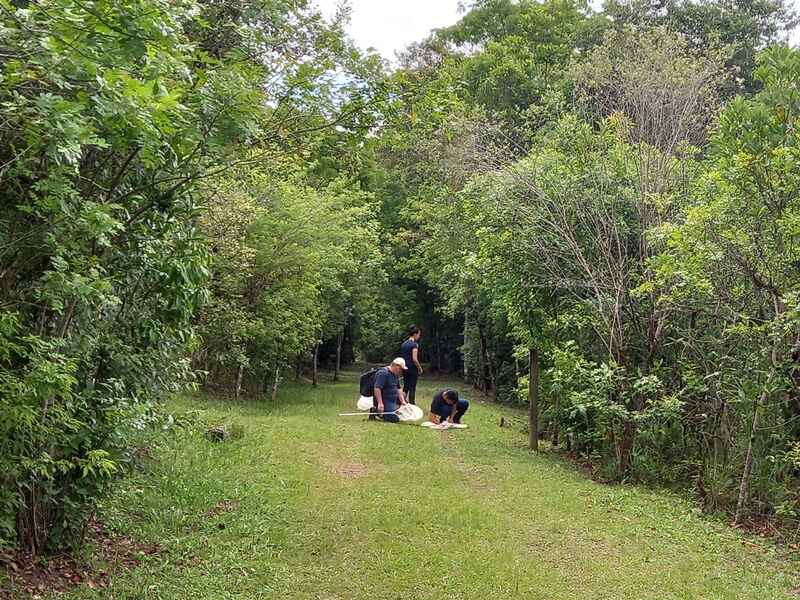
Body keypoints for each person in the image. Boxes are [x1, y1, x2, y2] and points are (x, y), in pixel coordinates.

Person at [371, 358, 408, 423]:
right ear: (395, 365)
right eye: (400, 368)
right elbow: (377, 388)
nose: (401, 371)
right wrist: (380, 403)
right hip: (385, 400)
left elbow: (398, 388)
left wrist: (403, 401)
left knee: (404, 395)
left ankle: (394, 408)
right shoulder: (383, 373)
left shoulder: (395, 374)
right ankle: (377, 411)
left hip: (393, 399)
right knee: (394, 419)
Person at [400, 326, 423, 404]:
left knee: (406, 386)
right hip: (412, 368)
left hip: (404, 367)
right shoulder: (414, 345)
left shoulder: (404, 344)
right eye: (419, 334)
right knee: (412, 387)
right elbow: (414, 359)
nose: (419, 336)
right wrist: (420, 368)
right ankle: (412, 403)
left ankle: (402, 401)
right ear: (415, 334)